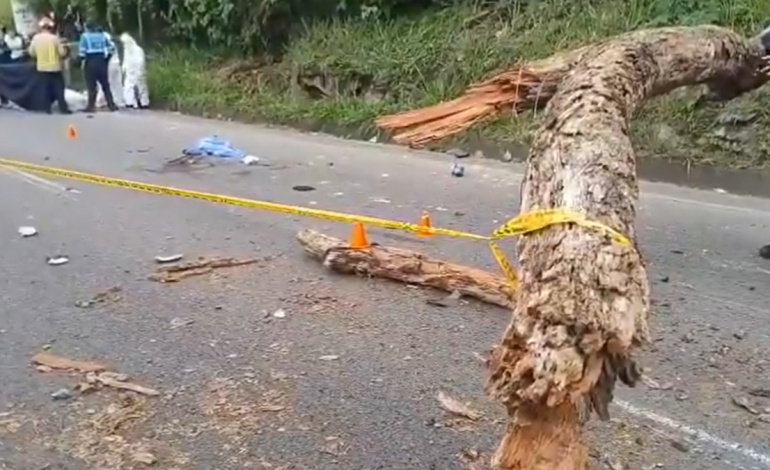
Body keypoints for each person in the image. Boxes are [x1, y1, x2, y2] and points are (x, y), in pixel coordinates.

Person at [28, 18, 71, 114]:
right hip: (55, 67)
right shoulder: (54, 38)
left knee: (45, 89)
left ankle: (47, 108)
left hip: (42, 68)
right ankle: (63, 108)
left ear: (41, 28)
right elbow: (62, 53)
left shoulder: (36, 38)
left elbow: (31, 52)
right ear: (50, 28)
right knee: (59, 89)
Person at [78, 22, 117, 112]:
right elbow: (112, 48)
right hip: (101, 61)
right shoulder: (102, 36)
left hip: (90, 61)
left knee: (91, 86)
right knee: (105, 85)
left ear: (87, 27)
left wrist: (77, 61)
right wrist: (107, 58)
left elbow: (82, 53)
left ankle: (91, 106)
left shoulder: (85, 36)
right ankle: (111, 105)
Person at [120, 33, 149, 108]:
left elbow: (141, 61)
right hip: (130, 71)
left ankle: (144, 102)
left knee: (141, 86)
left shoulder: (138, 49)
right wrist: (124, 69)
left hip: (138, 70)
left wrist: (139, 71)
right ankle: (130, 102)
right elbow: (125, 61)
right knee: (128, 86)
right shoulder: (127, 50)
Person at [96, 32, 123, 108]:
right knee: (117, 83)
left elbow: (107, 55)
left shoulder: (105, 44)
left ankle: (101, 101)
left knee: (104, 83)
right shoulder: (112, 44)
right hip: (116, 64)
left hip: (109, 65)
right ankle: (119, 101)